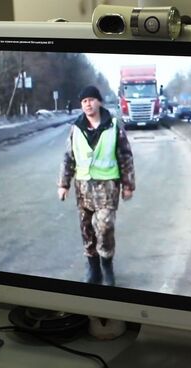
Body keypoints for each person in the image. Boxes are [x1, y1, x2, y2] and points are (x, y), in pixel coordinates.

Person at [57, 85, 136, 286]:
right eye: (84, 101)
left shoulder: (113, 125)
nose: (88, 104)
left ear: (99, 101)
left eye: (91, 100)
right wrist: (63, 184)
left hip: (107, 187)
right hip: (83, 189)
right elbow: (69, 158)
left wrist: (128, 184)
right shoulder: (76, 128)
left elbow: (125, 155)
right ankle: (93, 269)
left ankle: (107, 265)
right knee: (87, 229)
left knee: (105, 225)